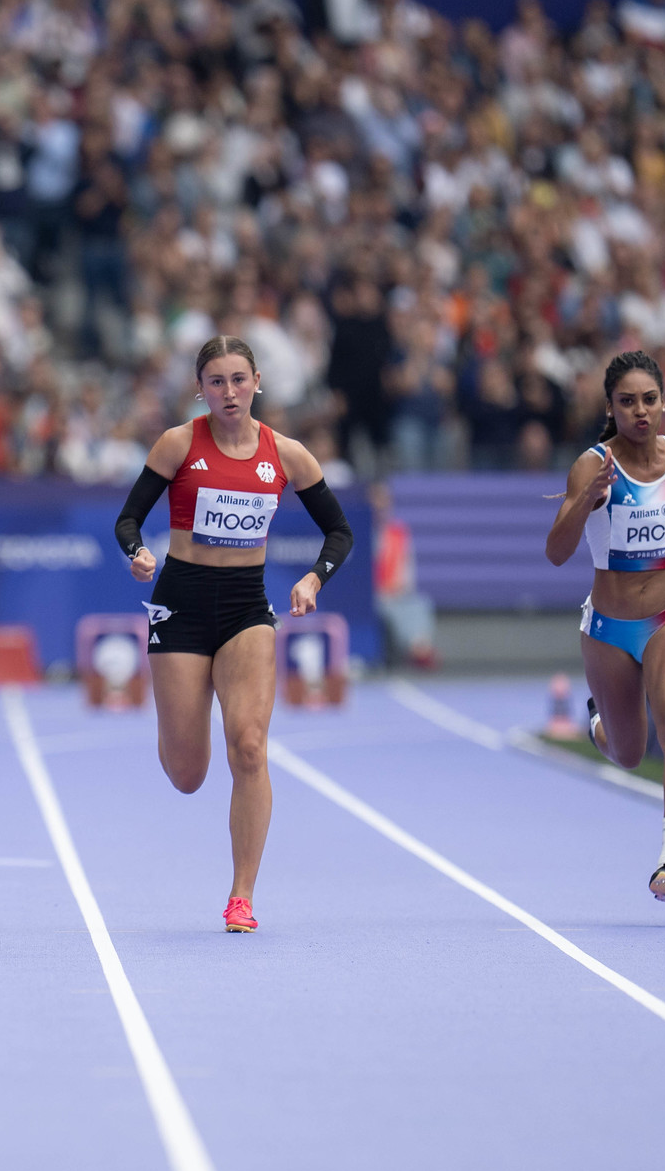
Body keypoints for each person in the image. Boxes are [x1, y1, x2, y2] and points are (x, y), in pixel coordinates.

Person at [114, 336, 355, 932]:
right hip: (181, 604)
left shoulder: (287, 454)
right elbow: (127, 519)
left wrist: (313, 580)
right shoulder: (178, 444)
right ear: (200, 389)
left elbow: (340, 533)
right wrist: (136, 552)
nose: (229, 392)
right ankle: (176, 732)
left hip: (247, 607)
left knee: (248, 746)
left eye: (239, 379)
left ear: (257, 383)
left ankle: (242, 894)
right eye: (216, 381)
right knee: (188, 773)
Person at [545, 350, 665, 902]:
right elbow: (556, 552)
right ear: (611, 407)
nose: (640, 411)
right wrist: (587, 499)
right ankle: (598, 723)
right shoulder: (591, 465)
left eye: (649, 400)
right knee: (629, 751)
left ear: (663, 402)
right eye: (627, 402)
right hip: (608, 628)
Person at [369, 481, 437, 668]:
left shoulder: (398, 533)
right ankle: (416, 648)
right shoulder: (358, 532)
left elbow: (407, 571)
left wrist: (399, 587)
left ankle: (420, 646)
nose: (380, 506)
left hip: (395, 592)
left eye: (384, 501)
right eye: (375, 501)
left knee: (419, 603)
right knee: (388, 606)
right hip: (372, 594)